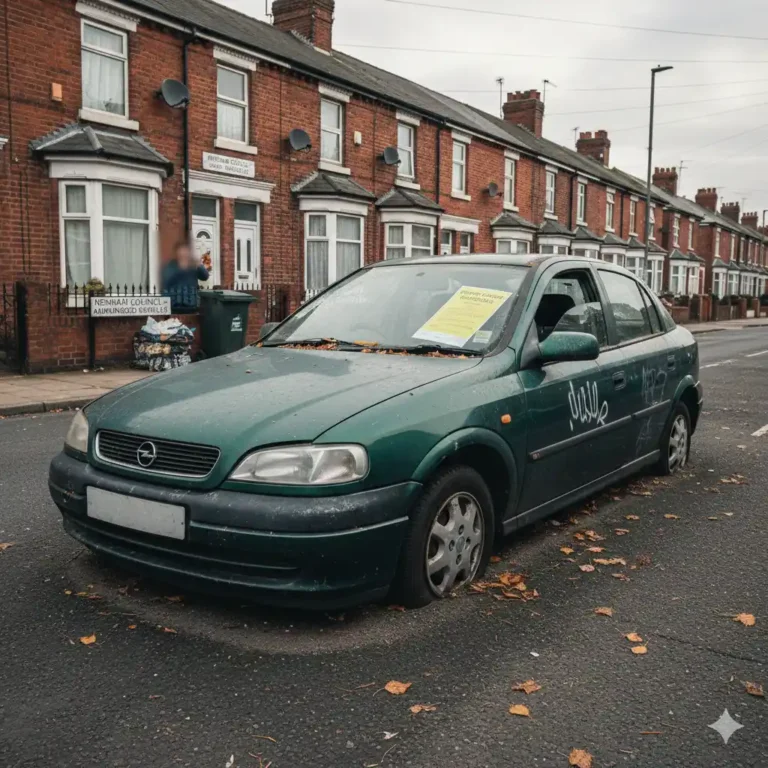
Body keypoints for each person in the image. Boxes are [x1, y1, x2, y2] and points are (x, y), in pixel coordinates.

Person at [162, 241, 209, 311]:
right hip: (175, 304)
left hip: (191, 303)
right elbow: (167, 281)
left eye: (185, 251)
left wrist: (199, 266)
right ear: (176, 253)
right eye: (181, 251)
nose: (183, 253)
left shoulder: (193, 265)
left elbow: (205, 277)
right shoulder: (171, 265)